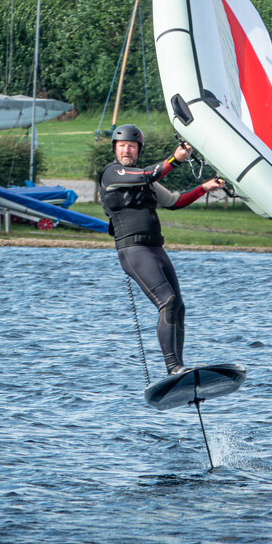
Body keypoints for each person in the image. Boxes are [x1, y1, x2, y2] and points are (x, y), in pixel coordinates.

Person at [100, 124, 225, 376]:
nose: (126, 149)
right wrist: (174, 159)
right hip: (133, 250)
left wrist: (205, 187)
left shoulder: (144, 180)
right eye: (122, 145)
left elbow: (176, 201)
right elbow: (148, 173)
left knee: (178, 305)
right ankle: (173, 367)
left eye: (131, 146)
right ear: (115, 149)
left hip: (156, 249)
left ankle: (179, 366)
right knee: (166, 301)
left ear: (138, 150)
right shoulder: (113, 173)